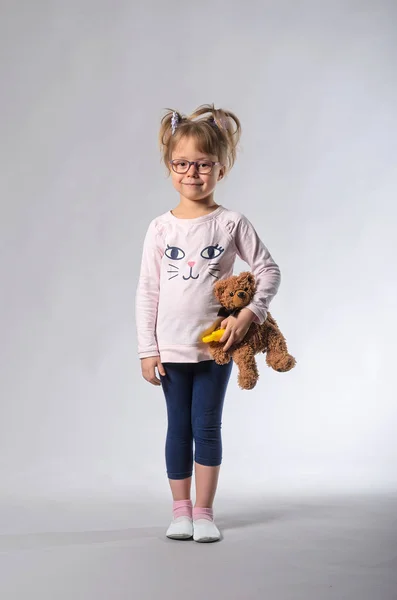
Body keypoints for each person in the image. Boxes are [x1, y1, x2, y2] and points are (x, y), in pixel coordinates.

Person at [135, 103, 281, 542]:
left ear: (221, 168)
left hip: (217, 346)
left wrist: (249, 314)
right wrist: (147, 348)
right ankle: (180, 511)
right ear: (169, 167)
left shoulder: (232, 223)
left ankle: (204, 512)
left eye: (202, 164)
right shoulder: (160, 228)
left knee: (207, 426)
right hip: (172, 348)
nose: (192, 173)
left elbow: (268, 271)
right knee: (177, 427)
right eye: (182, 164)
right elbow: (147, 290)